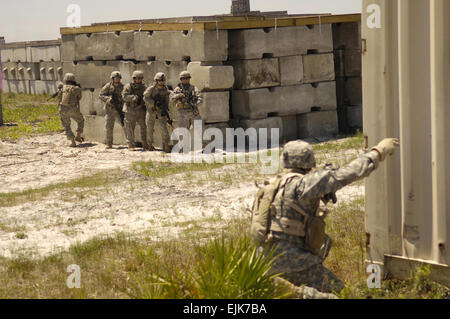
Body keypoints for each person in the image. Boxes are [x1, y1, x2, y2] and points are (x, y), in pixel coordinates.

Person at [250, 138, 400, 294]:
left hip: (263, 262)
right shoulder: (303, 184)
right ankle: (297, 294)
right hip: (294, 262)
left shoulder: (271, 186)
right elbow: (348, 173)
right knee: (342, 294)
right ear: (310, 160)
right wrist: (378, 152)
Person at [143, 72, 172, 153]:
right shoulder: (151, 88)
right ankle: (150, 145)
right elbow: (145, 98)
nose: (161, 82)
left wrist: (165, 108)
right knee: (150, 129)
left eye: (163, 80)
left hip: (161, 111)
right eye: (160, 80)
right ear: (156, 80)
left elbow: (166, 99)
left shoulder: (165, 89)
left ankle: (166, 145)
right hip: (151, 111)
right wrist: (153, 104)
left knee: (164, 128)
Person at [122, 70, 149, 151]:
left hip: (140, 110)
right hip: (130, 110)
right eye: (137, 78)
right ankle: (130, 144)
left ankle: (145, 143)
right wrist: (133, 97)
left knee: (144, 127)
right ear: (134, 78)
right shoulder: (128, 86)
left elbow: (147, 96)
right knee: (129, 128)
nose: (138, 80)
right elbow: (124, 96)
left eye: (140, 78)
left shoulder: (144, 87)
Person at [99, 71, 125, 149]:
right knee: (109, 127)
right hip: (110, 109)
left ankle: (129, 142)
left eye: (118, 78)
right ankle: (109, 143)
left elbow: (125, 96)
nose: (117, 80)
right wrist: (108, 99)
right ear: (113, 78)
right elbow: (101, 95)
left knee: (125, 125)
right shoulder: (108, 86)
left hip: (119, 109)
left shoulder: (122, 87)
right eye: (115, 78)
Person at [58, 73, 84, 147]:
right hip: (73, 108)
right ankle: (78, 135)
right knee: (81, 120)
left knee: (67, 125)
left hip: (63, 109)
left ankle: (72, 141)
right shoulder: (76, 88)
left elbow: (59, 98)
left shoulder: (62, 88)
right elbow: (79, 97)